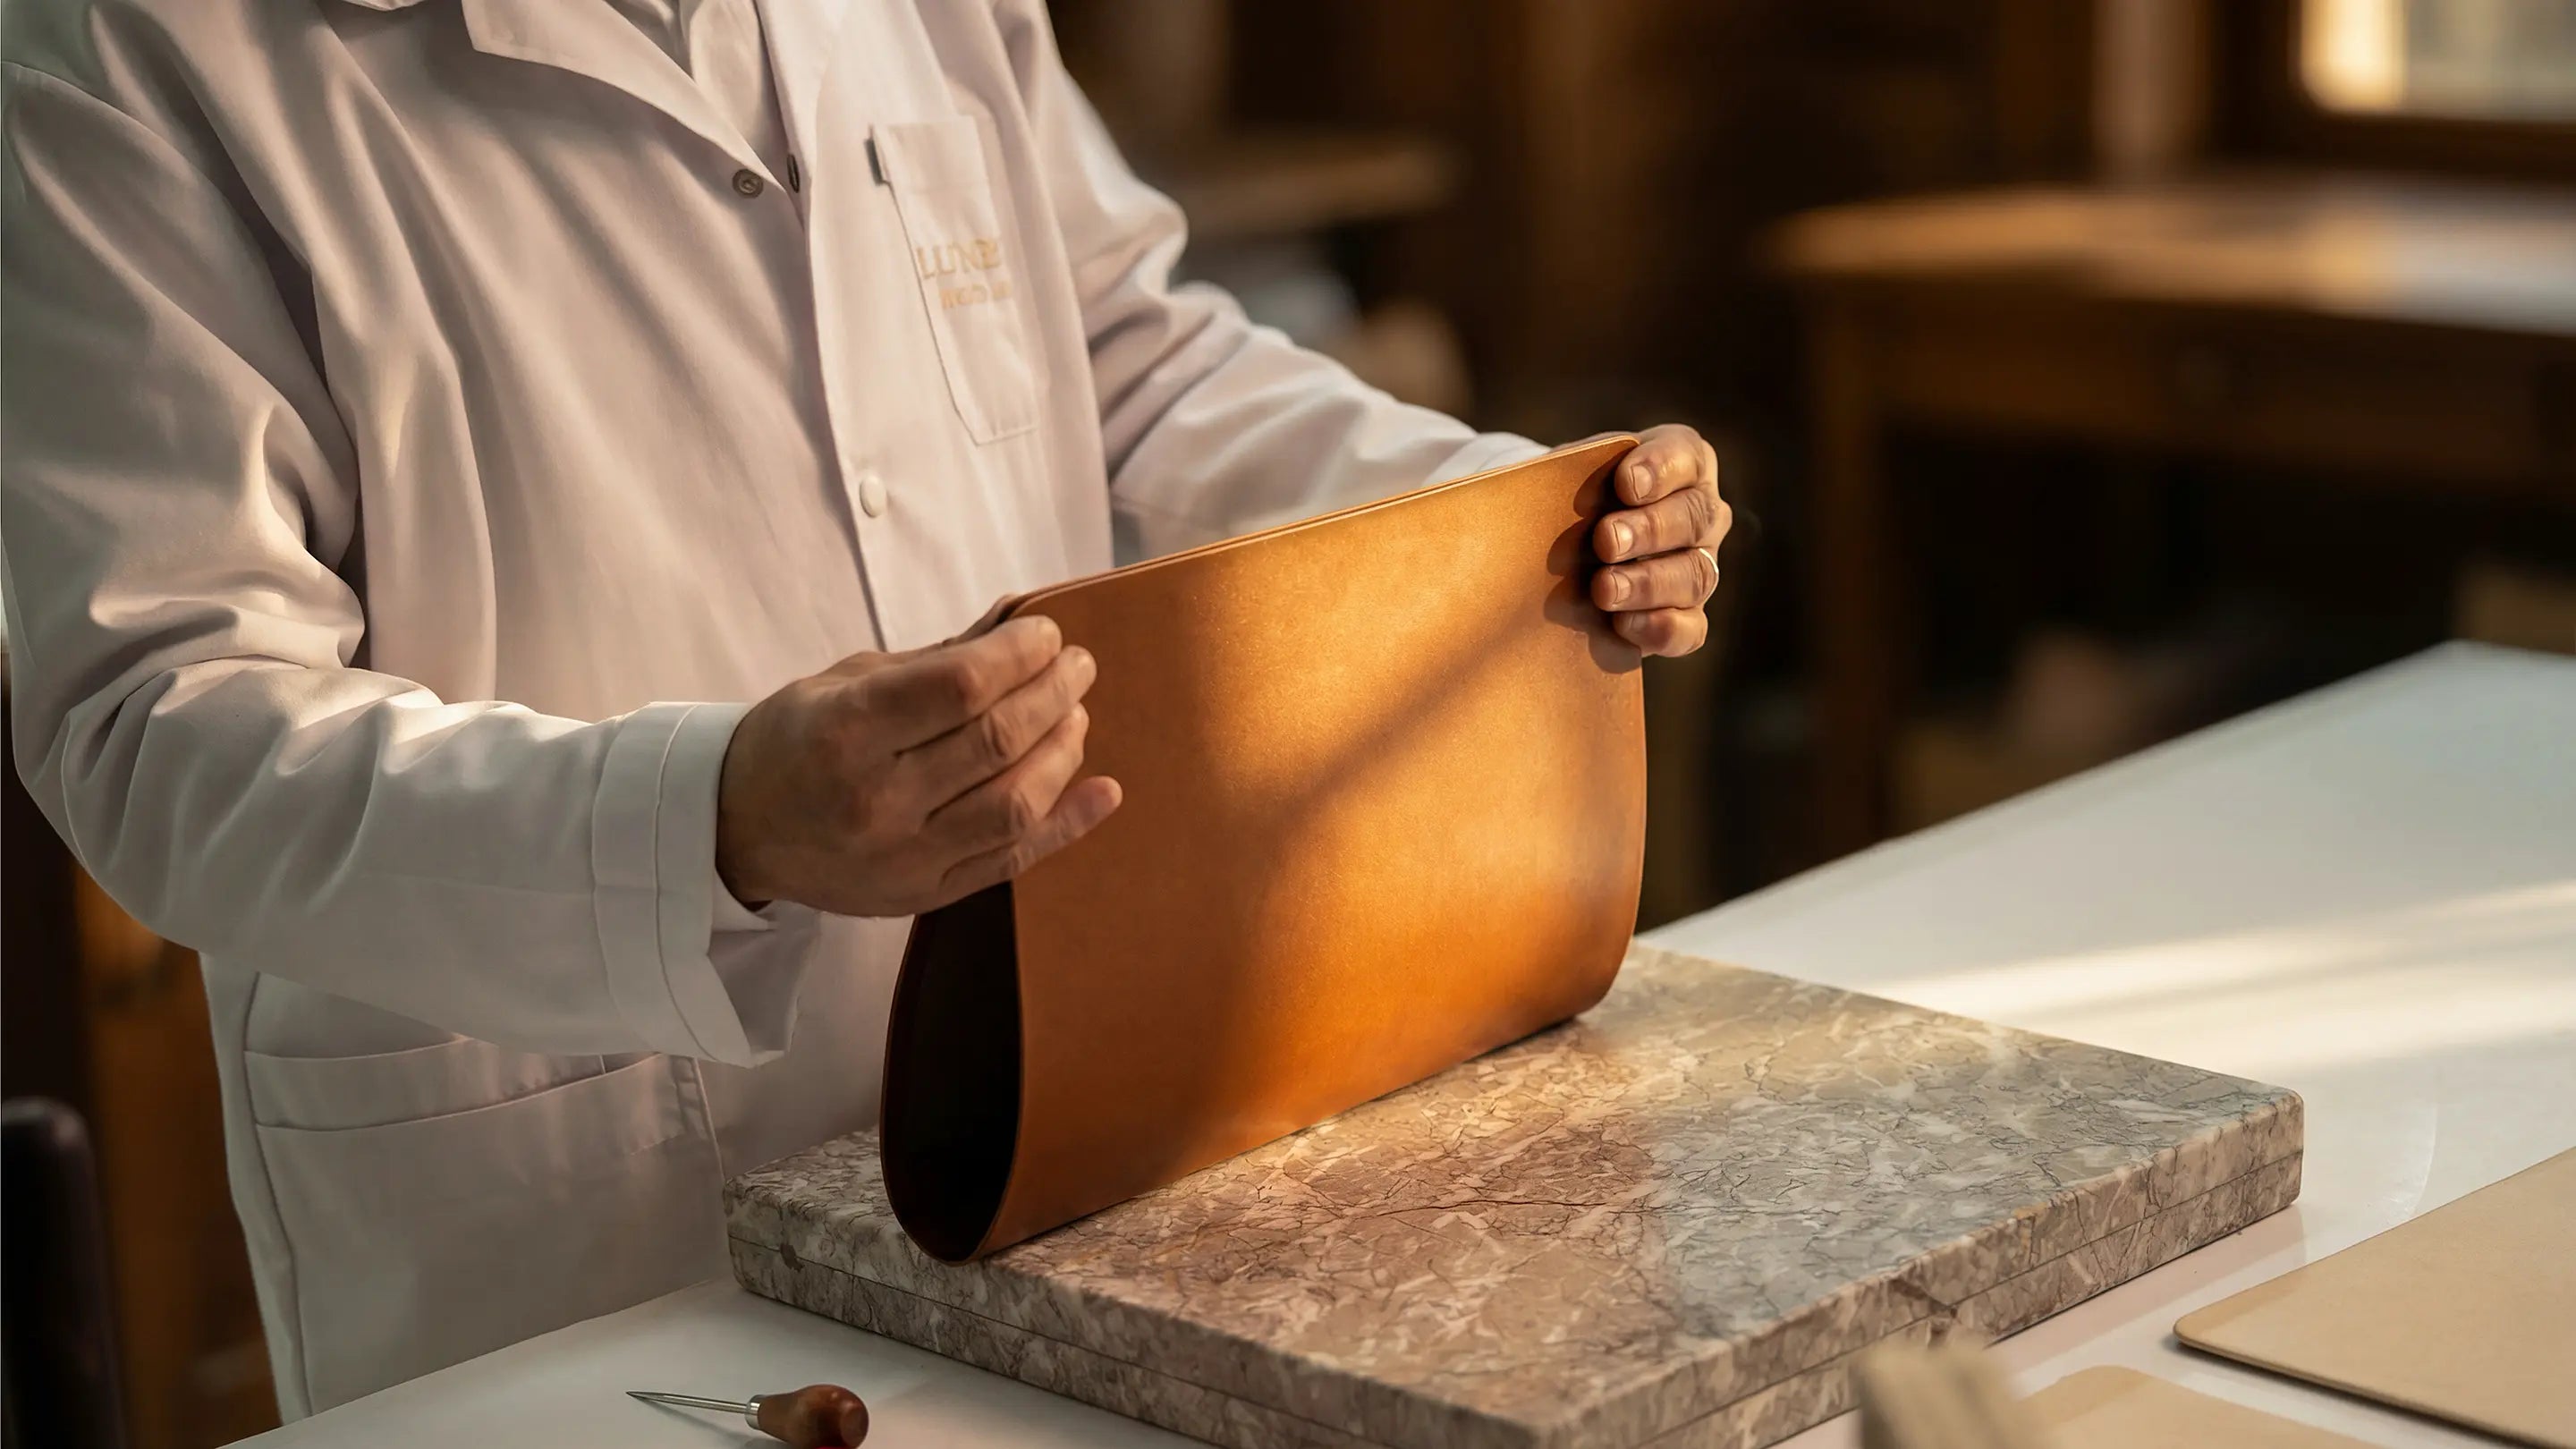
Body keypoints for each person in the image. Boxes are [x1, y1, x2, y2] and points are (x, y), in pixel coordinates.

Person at [0, 0, 1732, 1416]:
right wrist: (715, 821)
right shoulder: (119, 57)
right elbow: (155, 723)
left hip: (1075, 1100)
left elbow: (1131, 352)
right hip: (567, 1190)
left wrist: (1519, 526)